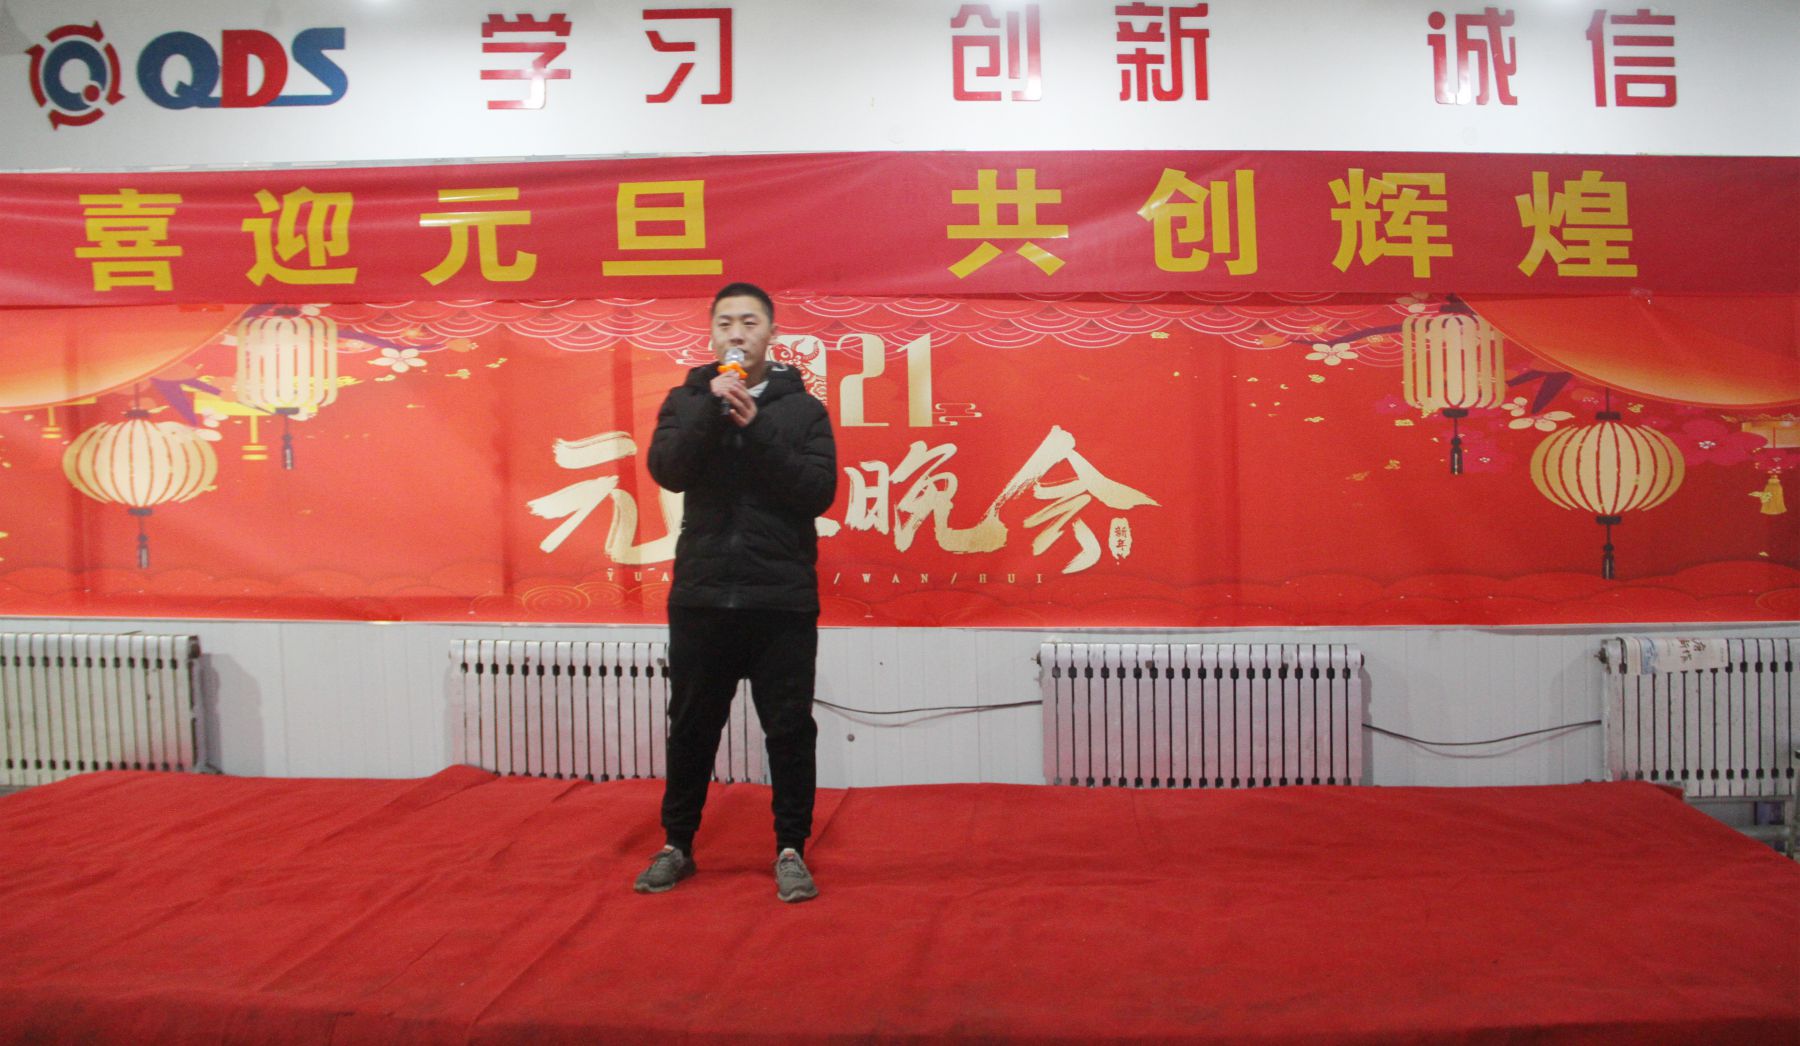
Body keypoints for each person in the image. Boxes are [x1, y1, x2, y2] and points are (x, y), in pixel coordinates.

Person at [635, 282, 837, 903]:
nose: (736, 333)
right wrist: (711, 409)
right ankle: (677, 844)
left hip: (780, 599)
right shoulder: (687, 400)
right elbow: (668, 469)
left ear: (771, 334)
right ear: (712, 334)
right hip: (702, 597)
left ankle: (790, 849)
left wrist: (758, 428)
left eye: (749, 322)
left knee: (789, 729)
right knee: (691, 727)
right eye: (725, 323)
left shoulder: (802, 411)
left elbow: (818, 492)